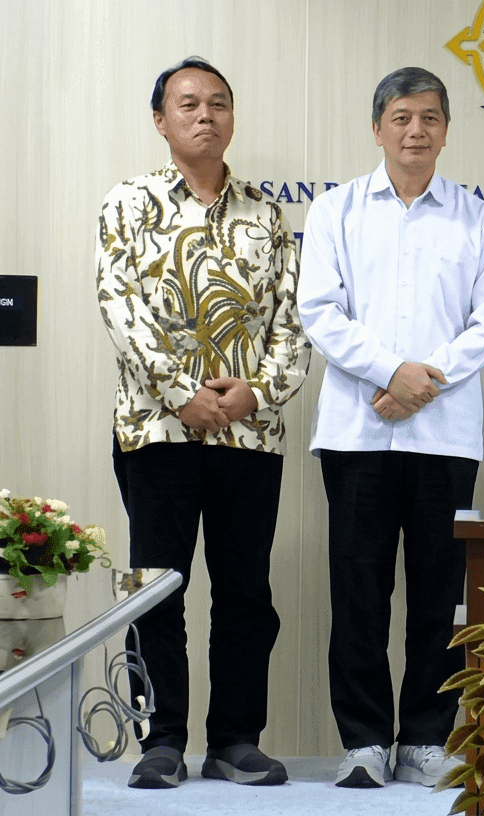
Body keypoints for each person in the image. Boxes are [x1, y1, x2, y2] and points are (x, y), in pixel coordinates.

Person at [298, 67, 484, 789]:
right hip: (357, 433)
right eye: (400, 117)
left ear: (446, 129)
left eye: (428, 117)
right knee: (357, 590)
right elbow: (320, 311)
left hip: (446, 435)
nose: (414, 130)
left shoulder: (477, 218)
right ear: (377, 126)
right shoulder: (336, 211)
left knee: (438, 590)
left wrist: (423, 381)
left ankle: (425, 737)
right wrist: (392, 372)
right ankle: (362, 740)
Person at [97, 56, 310, 789]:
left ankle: (235, 740)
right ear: (161, 120)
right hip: (157, 430)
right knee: (156, 585)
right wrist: (184, 392)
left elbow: (293, 323)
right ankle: (162, 739)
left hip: (250, 436)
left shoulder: (268, 213)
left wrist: (252, 394)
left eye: (219, 102)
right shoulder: (126, 204)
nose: (206, 115)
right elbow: (119, 308)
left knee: (245, 591)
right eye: (188, 103)